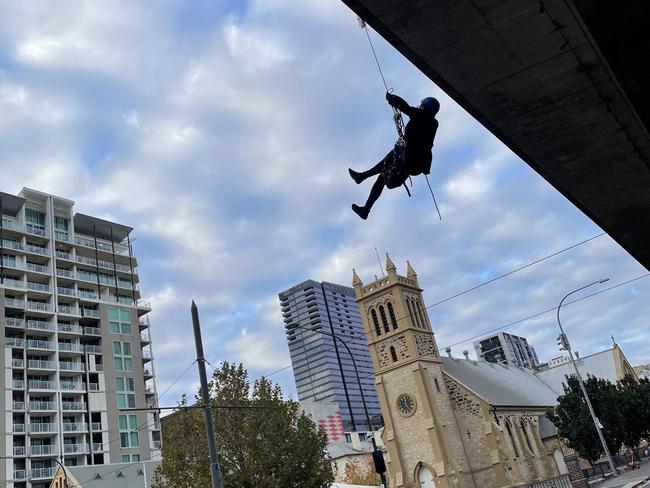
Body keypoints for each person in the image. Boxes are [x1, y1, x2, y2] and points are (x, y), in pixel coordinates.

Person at [349, 93, 440, 220]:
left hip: (408, 159)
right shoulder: (432, 123)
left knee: (383, 175)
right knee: (392, 155)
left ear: (424, 108)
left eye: (421, 105)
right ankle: (362, 177)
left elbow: (405, 107)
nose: (419, 106)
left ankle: (365, 207)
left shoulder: (422, 116)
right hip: (413, 161)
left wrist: (392, 98)